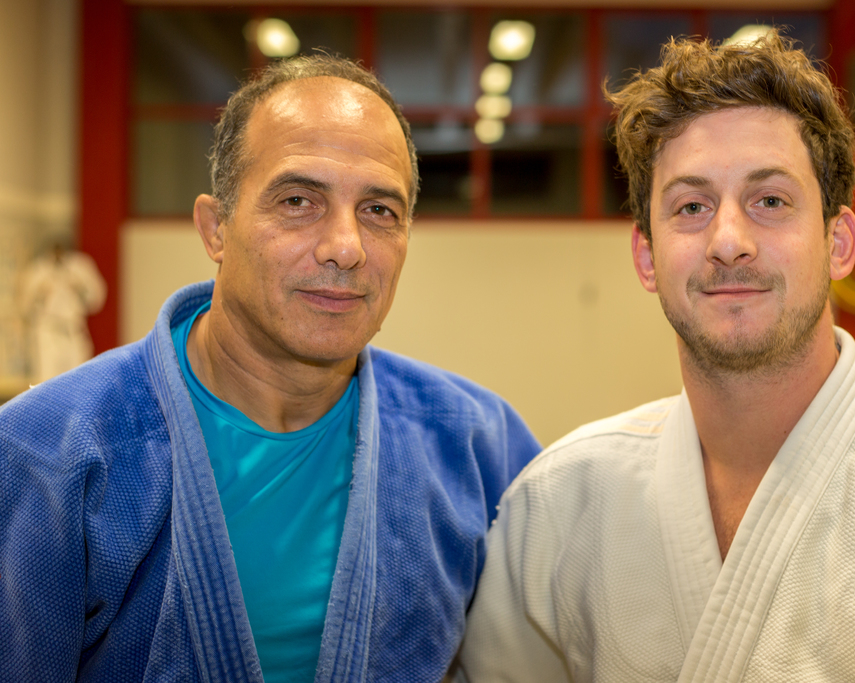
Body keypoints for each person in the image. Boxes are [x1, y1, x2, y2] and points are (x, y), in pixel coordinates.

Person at [456, 32, 855, 682]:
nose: (728, 241)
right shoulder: (558, 503)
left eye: (770, 201)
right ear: (646, 257)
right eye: (691, 206)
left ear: (839, 243)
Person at [0, 55, 541, 683]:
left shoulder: (478, 445)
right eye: (298, 201)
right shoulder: (48, 455)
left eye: (379, 211)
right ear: (216, 229)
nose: (346, 247)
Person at [18, 242, 106, 383]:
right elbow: (24, 307)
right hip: (48, 332)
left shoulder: (80, 267)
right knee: (47, 380)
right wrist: (40, 294)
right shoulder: (38, 271)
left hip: (73, 330)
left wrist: (79, 288)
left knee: (77, 379)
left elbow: (97, 299)